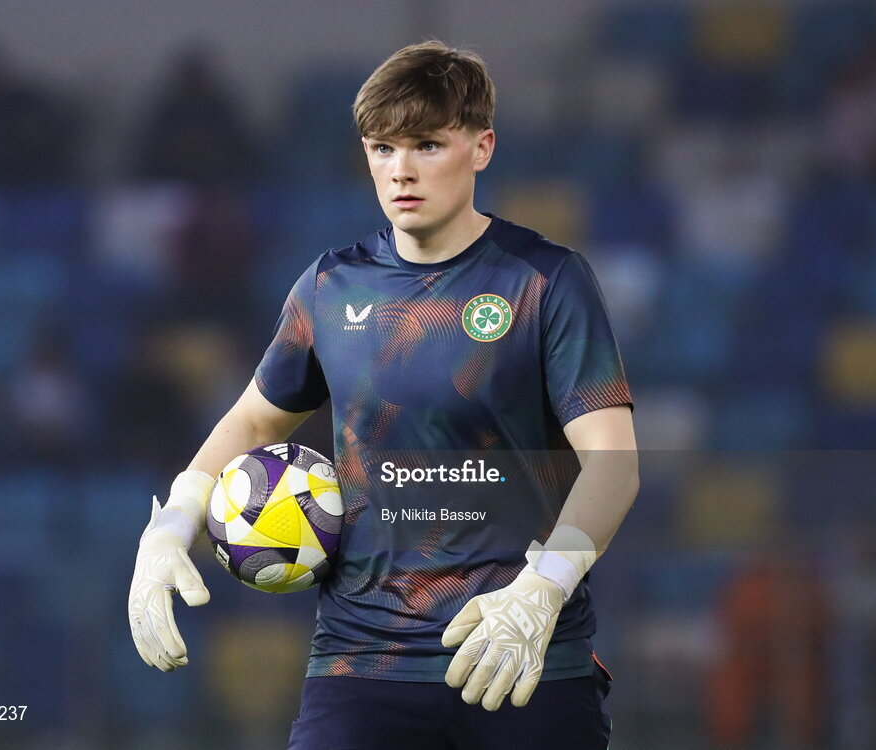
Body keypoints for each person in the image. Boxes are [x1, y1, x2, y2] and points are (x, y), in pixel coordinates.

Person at [128, 41, 638, 749]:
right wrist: (173, 523)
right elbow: (253, 421)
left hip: (522, 655)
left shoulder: (545, 281)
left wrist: (543, 588)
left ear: (482, 147)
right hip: (361, 664)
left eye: (427, 144)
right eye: (382, 148)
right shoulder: (329, 287)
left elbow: (613, 463)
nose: (401, 169)